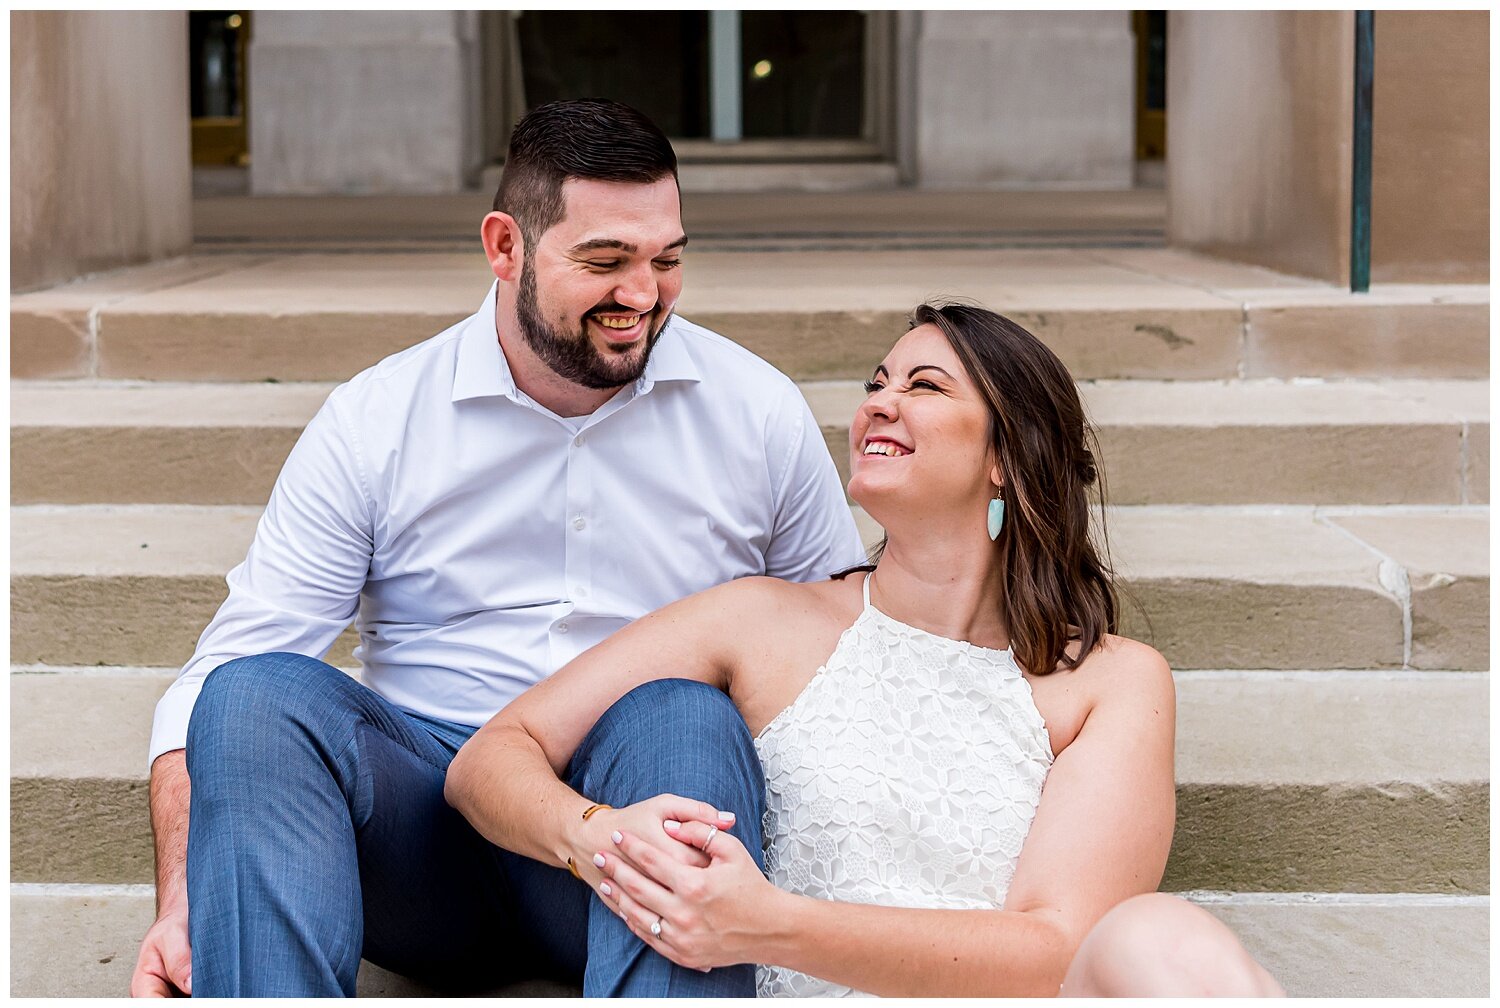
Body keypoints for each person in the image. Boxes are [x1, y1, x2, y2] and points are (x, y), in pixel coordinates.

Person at [130, 99, 865, 998]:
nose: (641, 295)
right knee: (252, 695)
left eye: (666, 260)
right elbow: (219, 674)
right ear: (505, 247)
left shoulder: (756, 410)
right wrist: (182, 901)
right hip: (423, 839)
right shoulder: (378, 418)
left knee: (682, 710)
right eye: (604, 261)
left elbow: (838, 654)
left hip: (637, 829)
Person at [445, 302, 1287, 997]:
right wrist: (598, 835)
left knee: (1158, 934)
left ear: (1006, 456)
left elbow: (1058, 946)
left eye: (924, 386)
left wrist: (770, 922)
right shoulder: (762, 622)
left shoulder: (1110, 683)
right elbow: (491, 757)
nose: (879, 403)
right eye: (876, 384)